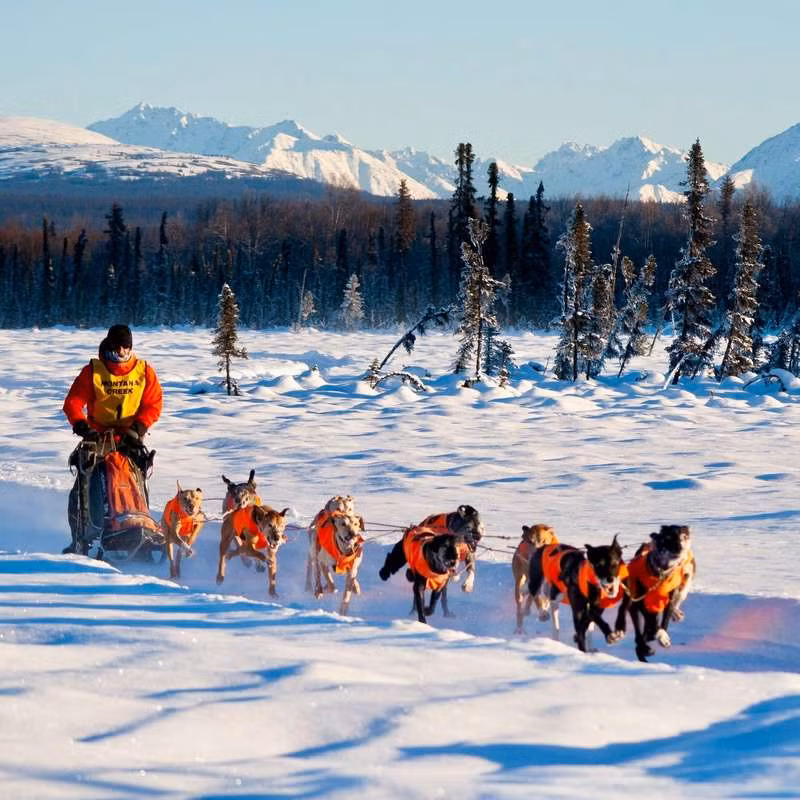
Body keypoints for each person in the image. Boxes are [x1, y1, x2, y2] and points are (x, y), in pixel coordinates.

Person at [62, 324, 163, 553]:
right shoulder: (93, 372)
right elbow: (73, 403)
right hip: (98, 436)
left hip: (130, 435)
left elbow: (153, 404)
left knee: (136, 479)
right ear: (109, 346)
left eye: (126, 348)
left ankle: (140, 523)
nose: (121, 353)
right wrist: (82, 427)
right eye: (117, 348)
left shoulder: (144, 371)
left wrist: (137, 429)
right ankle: (81, 537)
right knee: (83, 484)